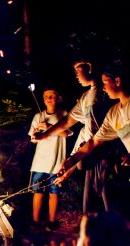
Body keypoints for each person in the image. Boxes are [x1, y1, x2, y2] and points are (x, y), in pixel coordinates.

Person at [33, 60, 113, 213]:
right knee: (90, 204)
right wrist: (44, 135)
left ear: (90, 68)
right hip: (88, 154)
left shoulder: (105, 94)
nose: (76, 75)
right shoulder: (85, 97)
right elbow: (69, 121)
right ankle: (91, 233)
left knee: (108, 202)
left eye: (79, 70)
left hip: (103, 154)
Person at [58, 62, 130, 218]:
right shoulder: (114, 114)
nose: (103, 88)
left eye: (105, 82)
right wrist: (71, 160)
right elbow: (93, 141)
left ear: (117, 81)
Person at [28, 88, 71, 230]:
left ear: (58, 98)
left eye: (52, 95)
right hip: (40, 162)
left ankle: (51, 222)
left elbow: (66, 134)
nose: (48, 98)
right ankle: (35, 222)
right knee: (38, 193)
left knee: (54, 193)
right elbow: (33, 140)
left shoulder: (64, 115)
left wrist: (50, 127)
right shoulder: (38, 116)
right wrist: (35, 135)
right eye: (46, 96)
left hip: (57, 163)